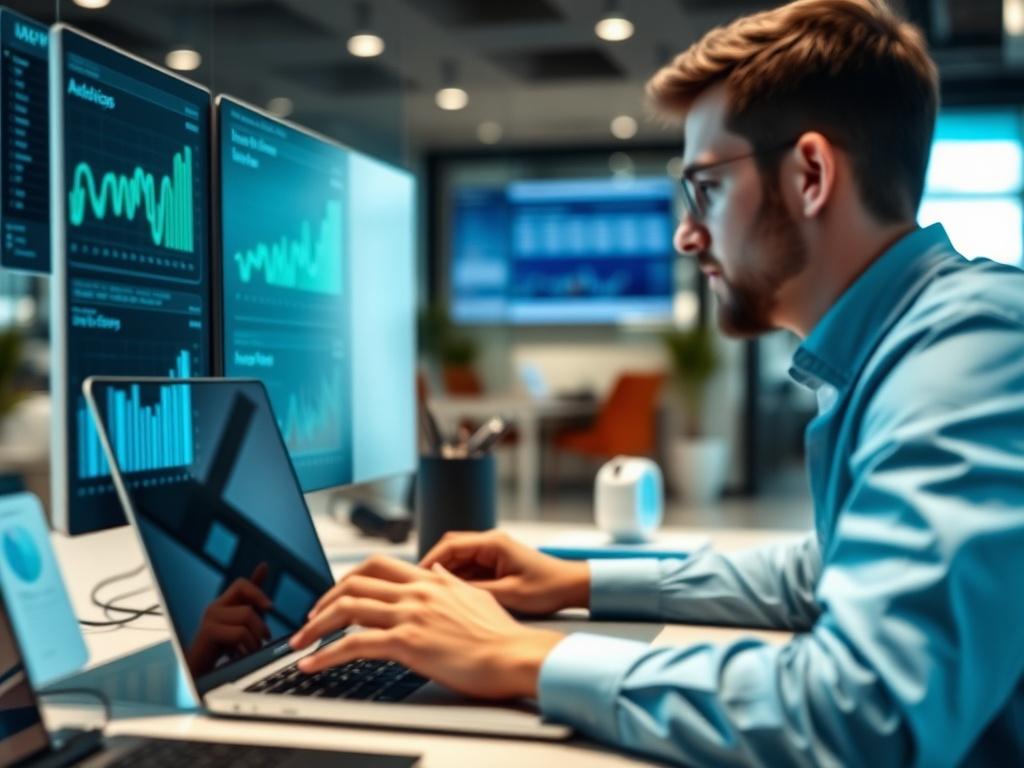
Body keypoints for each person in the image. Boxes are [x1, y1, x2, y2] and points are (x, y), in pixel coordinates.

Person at [290, 0, 1024, 764]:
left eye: (704, 187)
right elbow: (820, 569)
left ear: (810, 174)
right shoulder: (908, 343)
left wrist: (518, 656)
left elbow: (861, 715)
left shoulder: (970, 351)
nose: (684, 233)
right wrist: (573, 580)